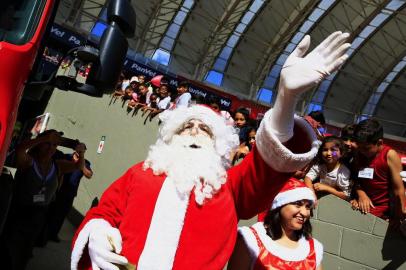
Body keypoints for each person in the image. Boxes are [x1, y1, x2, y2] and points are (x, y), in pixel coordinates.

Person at [70, 31, 350, 270]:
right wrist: (96, 232)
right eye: (186, 126)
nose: (193, 130)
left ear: (220, 145)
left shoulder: (229, 187)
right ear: (170, 137)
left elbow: (269, 163)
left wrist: (286, 99)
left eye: (204, 129)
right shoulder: (139, 174)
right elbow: (103, 213)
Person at [0, 130, 86, 270]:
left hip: (39, 215)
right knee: (9, 249)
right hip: (19, 213)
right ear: (39, 145)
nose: (50, 148)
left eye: (54, 145)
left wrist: (81, 153)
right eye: (47, 144)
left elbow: (78, 166)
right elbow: (20, 149)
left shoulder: (57, 165)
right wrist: (43, 138)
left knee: (25, 252)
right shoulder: (29, 161)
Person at [228, 178, 323, 270]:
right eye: (298, 204)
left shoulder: (313, 249)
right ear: (279, 205)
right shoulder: (251, 241)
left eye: (307, 207)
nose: (305, 213)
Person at [351, 119, 406, 222]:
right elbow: (356, 179)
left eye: (366, 148)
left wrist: (399, 217)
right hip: (361, 206)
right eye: (360, 147)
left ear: (379, 142)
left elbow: (399, 190)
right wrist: (361, 193)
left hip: (383, 213)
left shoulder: (390, 155)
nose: (362, 151)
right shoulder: (359, 152)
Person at [48, 151, 93, 242]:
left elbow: (89, 175)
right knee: (51, 211)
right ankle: (45, 233)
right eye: (78, 149)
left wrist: (80, 163)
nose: (79, 151)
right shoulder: (65, 157)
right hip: (58, 190)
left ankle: (53, 234)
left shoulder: (85, 163)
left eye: (82, 151)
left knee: (62, 214)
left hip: (70, 194)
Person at [304, 136, 352, 200]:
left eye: (333, 150)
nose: (328, 153)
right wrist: (311, 193)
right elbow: (308, 178)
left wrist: (326, 188)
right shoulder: (320, 165)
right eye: (325, 150)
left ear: (341, 153)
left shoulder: (343, 172)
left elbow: (346, 195)